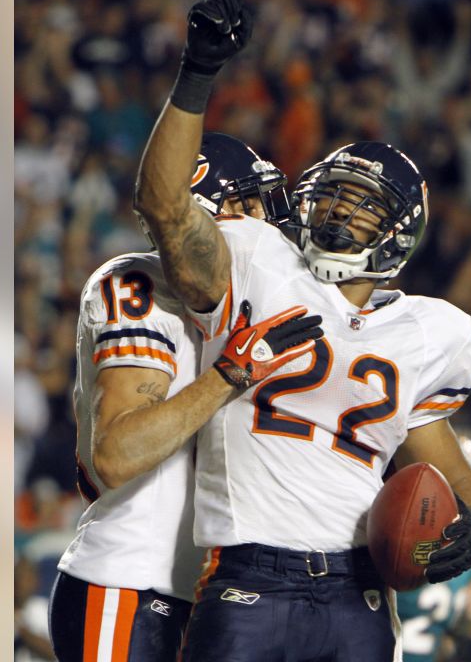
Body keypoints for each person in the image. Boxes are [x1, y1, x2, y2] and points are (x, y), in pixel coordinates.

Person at [134, 0, 471, 661]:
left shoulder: (428, 332)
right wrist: (198, 73)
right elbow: (166, 208)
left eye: (363, 204)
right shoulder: (259, 260)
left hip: (357, 593)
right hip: (247, 579)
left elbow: (444, 468)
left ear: (399, 231)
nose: (337, 210)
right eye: (332, 193)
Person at [49, 133, 318, 662]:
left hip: (222, 600)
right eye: (246, 202)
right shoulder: (140, 287)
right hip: (131, 583)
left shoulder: (259, 301)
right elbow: (116, 455)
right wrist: (229, 373)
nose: (264, 218)